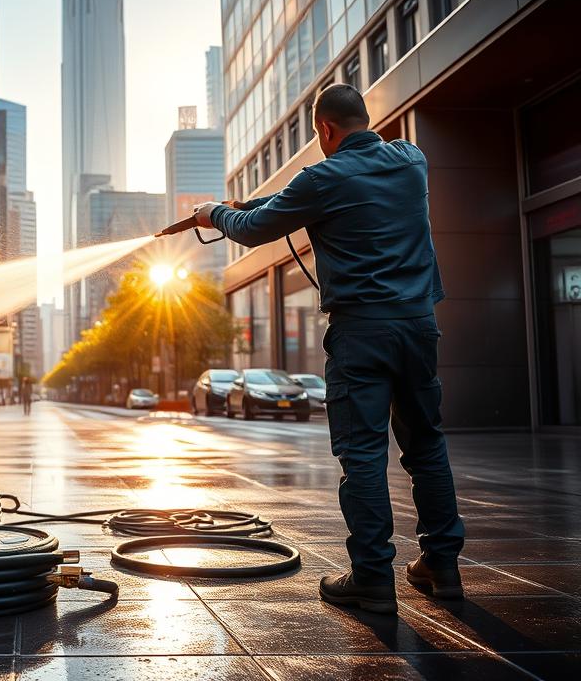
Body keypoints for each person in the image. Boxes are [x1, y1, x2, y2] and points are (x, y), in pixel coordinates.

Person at [194, 84, 464, 615]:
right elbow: (300, 200)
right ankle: (443, 566)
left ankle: (371, 577)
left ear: (323, 130)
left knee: (362, 454)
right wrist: (261, 202)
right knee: (427, 446)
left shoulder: (320, 178)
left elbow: (252, 231)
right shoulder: (412, 160)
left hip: (362, 333)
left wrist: (213, 214)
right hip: (417, 326)